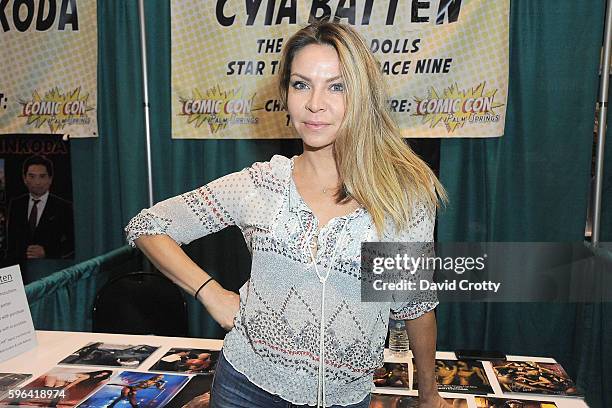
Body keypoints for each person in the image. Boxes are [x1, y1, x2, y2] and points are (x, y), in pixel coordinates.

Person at [126, 22, 449, 408]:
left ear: (363, 95)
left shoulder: (403, 195)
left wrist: (429, 394)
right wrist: (211, 293)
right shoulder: (260, 185)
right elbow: (147, 225)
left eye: (337, 85)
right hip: (243, 389)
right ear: (285, 95)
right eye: (301, 84)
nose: (315, 103)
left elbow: (415, 306)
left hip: (346, 399)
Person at [6, 155, 74, 260]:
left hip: (50, 269)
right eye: (32, 176)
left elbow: (73, 243)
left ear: (50, 179)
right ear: (24, 179)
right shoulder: (16, 204)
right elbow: (11, 243)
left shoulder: (64, 207)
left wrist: (47, 252)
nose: (37, 182)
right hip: (21, 269)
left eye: (42, 176)